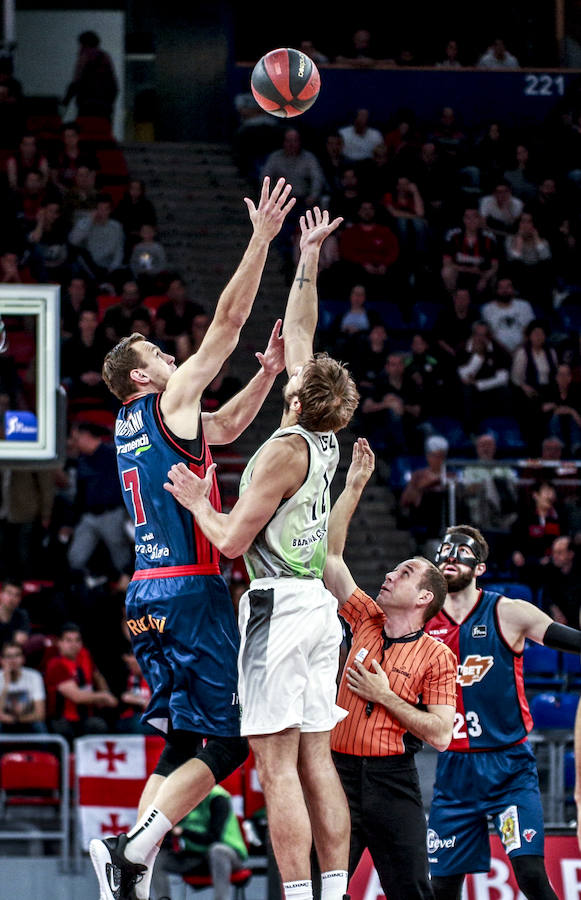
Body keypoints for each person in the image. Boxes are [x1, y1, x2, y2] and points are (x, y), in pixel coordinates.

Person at [89, 176, 295, 900]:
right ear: (139, 376)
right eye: (156, 352)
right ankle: (129, 849)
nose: (170, 356)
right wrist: (261, 240)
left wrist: (267, 377)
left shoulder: (135, 425)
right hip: (189, 589)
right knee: (230, 743)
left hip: (146, 596)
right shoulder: (166, 397)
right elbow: (227, 327)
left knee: (181, 739)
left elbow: (227, 428)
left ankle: (127, 871)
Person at [163, 207, 358, 900]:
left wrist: (198, 503)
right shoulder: (325, 435)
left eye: (294, 382)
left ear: (299, 401)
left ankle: (299, 895)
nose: (291, 377)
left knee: (276, 768)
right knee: (317, 761)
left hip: (278, 606)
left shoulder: (281, 453)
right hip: (317, 612)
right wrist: (307, 255)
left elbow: (231, 541)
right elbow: (301, 330)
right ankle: (333, 891)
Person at [323, 438, 456, 900]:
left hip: (392, 780)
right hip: (338, 774)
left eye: (404, 574)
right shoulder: (366, 617)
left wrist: (384, 696)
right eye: (393, 570)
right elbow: (331, 558)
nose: (389, 575)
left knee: (412, 890)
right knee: (320, 888)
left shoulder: (437, 655)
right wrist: (354, 485)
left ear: (424, 598)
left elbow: (441, 735)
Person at [425, 524, 581, 900]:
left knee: (531, 875)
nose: (450, 557)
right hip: (454, 771)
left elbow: (568, 639)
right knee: (442, 887)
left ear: (480, 567)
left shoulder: (508, 611)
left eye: (461, 552)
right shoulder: (421, 620)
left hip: (508, 767)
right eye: (445, 550)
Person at [164, 784, 248, 897]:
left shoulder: (218, 798)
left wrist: (183, 832)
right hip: (195, 856)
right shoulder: (182, 798)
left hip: (227, 855)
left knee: (217, 851)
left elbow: (213, 838)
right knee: (158, 859)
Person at [45, 622, 118, 742]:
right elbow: (77, 697)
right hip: (62, 718)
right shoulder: (56, 665)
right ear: (60, 643)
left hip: (86, 716)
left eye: (77, 640)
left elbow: (97, 676)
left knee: (101, 725)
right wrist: (104, 696)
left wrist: (106, 692)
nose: (74, 645)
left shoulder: (85, 655)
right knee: (64, 729)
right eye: (68, 640)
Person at [63, 30, 119, 121]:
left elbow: (76, 81)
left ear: (84, 44)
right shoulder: (105, 58)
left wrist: (66, 101)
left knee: (86, 127)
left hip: (87, 106)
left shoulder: (84, 57)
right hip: (104, 107)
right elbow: (114, 85)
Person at [0, 640, 46, 733]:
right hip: (3, 723)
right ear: (2, 660)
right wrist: (6, 685)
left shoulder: (34, 676)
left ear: (23, 658)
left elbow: (40, 714)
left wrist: (16, 720)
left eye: (17, 655)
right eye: (8, 656)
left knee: (39, 726)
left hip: (28, 721)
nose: (13, 660)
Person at [540, 535, 581, 628]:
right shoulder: (549, 570)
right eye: (554, 552)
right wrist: (553, 608)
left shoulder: (578, 573)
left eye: (559, 553)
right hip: (558, 625)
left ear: (570, 554)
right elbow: (547, 598)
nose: (555, 556)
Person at [0, 578, 30, 649]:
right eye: (9, 593)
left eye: (17, 595)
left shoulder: (22, 614)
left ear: (20, 599)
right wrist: (12, 637)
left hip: (15, 651)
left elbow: (22, 638)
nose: (12, 598)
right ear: (1, 594)